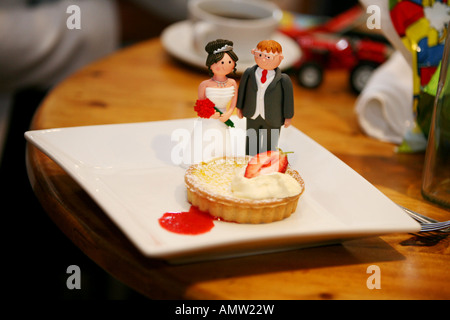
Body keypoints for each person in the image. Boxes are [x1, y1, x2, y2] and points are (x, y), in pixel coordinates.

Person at [236, 40, 294, 155]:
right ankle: (251, 161)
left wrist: (288, 116)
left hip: (274, 117)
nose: (263, 59)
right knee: (252, 140)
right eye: (260, 55)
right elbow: (242, 90)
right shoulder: (249, 73)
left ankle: (267, 163)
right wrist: (239, 107)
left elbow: (288, 100)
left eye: (268, 57)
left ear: (280, 58)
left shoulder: (284, 79)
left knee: (270, 144)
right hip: (252, 113)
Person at [189, 39, 239, 164]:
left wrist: (228, 113)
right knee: (206, 138)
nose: (225, 65)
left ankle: (221, 161)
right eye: (221, 62)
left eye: (228, 62)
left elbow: (234, 103)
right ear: (211, 63)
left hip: (223, 117)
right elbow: (200, 104)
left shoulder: (232, 83)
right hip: (209, 118)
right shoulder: (205, 85)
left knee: (221, 140)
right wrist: (210, 113)